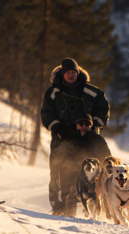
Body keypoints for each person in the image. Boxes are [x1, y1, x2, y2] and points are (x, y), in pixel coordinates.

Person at [41, 58, 110, 215]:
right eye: (68, 73)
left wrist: (96, 124)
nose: (71, 75)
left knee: (94, 170)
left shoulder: (91, 91)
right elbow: (46, 114)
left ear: (78, 73)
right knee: (58, 170)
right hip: (62, 139)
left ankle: (99, 203)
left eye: (73, 72)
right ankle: (59, 205)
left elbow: (103, 106)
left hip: (88, 138)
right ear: (62, 74)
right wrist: (58, 127)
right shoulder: (53, 93)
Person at [53, 115, 112, 217]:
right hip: (73, 176)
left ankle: (101, 218)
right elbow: (60, 158)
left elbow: (106, 157)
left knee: (101, 194)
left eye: (88, 124)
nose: (84, 126)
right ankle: (70, 218)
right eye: (81, 124)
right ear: (76, 126)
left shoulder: (97, 139)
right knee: (71, 195)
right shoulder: (69, 139)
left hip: (95, 177)